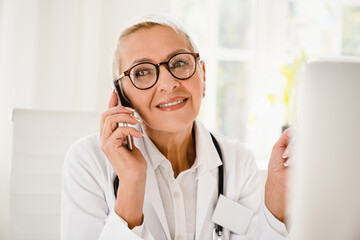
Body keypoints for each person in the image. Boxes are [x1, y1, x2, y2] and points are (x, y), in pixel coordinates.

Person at [61, 13, 290, 240]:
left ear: (203, 76)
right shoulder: (88, 162)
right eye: (142, 72)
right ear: (122, 95)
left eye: (179, 63)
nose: (168, 84)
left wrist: (276, 201)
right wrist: (131, 182)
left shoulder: (238, 161)